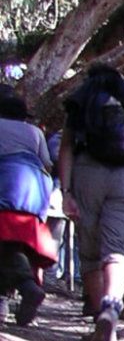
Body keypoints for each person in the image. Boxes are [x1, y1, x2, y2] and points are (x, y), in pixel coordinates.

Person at [58, 62, 124, 341]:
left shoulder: (83, 100)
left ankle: (101, 319)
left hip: (88, 173)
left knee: (90, 253)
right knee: (117, 249)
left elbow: (66, 149)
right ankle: (111, 310)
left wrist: (66, 192)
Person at [0, 86, 57, 325]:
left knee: (6, 246)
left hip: (7, 184)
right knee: (13, 246)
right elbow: (47, 163)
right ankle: (8, 300)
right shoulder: (35, 132)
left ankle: (26, 286)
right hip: (35, 191)